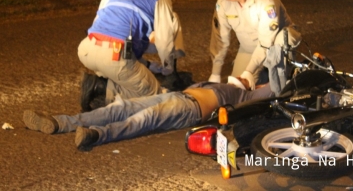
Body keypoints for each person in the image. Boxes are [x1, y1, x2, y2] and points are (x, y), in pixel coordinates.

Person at [22, 77, 273, 151]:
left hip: (190, 110)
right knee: (119, 108)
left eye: (249, 80)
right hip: (177, 96)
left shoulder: (245, 96)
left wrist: (265, 84)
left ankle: (96, 135)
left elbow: (274, 88)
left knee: (143, 120)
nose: (242, 76)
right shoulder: (217, 83)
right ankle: (58, 122)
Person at [78, 0, 185, 112]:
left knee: (129, 72)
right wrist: (168, 67)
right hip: (113, 55)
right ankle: (101, 88)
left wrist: (149, 65)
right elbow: (165, 39)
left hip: (86, 48)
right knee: (154, 94)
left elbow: (123, 39)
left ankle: (102, 83)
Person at [208, 0, 302, 93]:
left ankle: (283, 86)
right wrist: (215, 73)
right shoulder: (223, 2)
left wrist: (249, 71)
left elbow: (266, 43)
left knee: (275, 85)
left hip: (274, 45)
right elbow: (220, 39)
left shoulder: (265, 3)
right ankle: (262, 78)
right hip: (249, 47)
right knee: (237, 90)